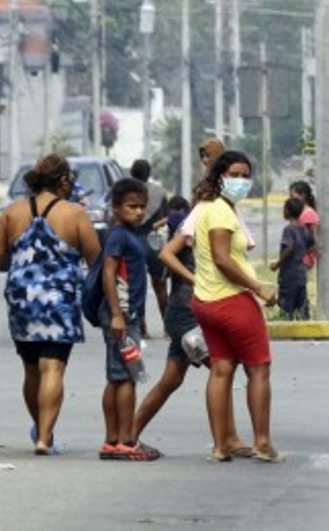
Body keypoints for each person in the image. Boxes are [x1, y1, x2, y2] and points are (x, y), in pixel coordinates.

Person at [0, 154, 102, 455]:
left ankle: (41, 430)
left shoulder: (12, 212)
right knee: (53, 367)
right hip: (60, 299)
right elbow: (96, 260)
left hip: (21, 298)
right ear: (64, 181)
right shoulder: (76, 214)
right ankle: (44, 437)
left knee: (31, 369)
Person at [132, 193, 251, 456]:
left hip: (194, 310)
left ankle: (129, 434)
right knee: (222, 369)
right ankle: (225, 440)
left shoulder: (221, 219)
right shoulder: (198, 219)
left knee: (172, 379)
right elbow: (166, 254)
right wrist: (195, 280)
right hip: (188, 311)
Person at [194, 151, 280, 462]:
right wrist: (258, 287)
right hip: (232, 301)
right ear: (220, 177)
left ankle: (221, 446)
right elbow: (222, 258)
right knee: (258, 369)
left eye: (246, 175)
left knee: (221, 370)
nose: (241, 181)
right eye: (235, 175)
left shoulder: (209, 208)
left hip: (206, 301)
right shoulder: (221, 212)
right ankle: (262, 442)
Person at [97, 178, 162, 461]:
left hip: (127, 314)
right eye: (132, 206)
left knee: (116, 377)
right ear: (116, 208)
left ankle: (113, 440)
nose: (138, 212)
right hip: (120, 314)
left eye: (142, 207)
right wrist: (116, 314)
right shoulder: (118, 236)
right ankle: (125, 440)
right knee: (126, 379)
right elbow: (108, 274)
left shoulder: (130, 233)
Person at [129, 159, 169, 333]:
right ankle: (168, 328)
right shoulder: (159, 192)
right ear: (149, 173)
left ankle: (142, 328)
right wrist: (154, 225)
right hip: (153, 242)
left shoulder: (126, 192)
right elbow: (168, 216)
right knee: (160, 287)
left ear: (132, 172)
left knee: (137, 288)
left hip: (132, 240)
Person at [270, 197, 314, 320]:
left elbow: (290, 247)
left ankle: (286, 324)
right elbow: (311, 243)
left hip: (289, 274)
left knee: (286, 306)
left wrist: (277, 264)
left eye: (284, 209)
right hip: (301, 273)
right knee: (301, 303)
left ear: (288, 211)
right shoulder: (305, 229)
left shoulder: (288, 229)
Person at [288, 180, 320, 270]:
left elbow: (312, 238)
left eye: (292, 196)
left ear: (303, 195)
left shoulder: (308, 213)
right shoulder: (299, 212)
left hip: (302, 258)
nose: (291, 199)